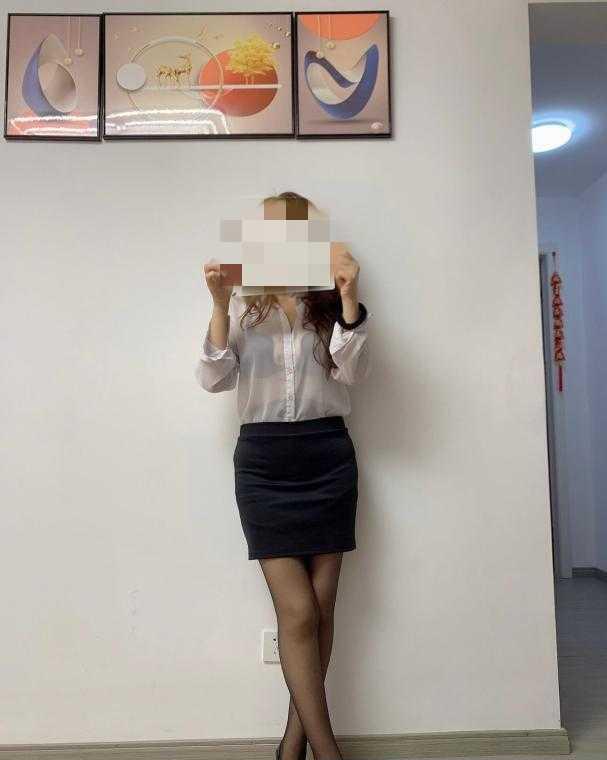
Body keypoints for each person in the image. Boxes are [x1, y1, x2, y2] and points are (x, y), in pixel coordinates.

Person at [195, 191, 371, 760]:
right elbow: (213, 379)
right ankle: (327, 751)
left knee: (322, 609)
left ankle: (292, 747)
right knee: (297, 613)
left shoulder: (328, 302)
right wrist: (219, 305)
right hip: (265, 465)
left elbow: (353, 371)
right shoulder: (246, 307)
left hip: (327, 456)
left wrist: (349, 296)